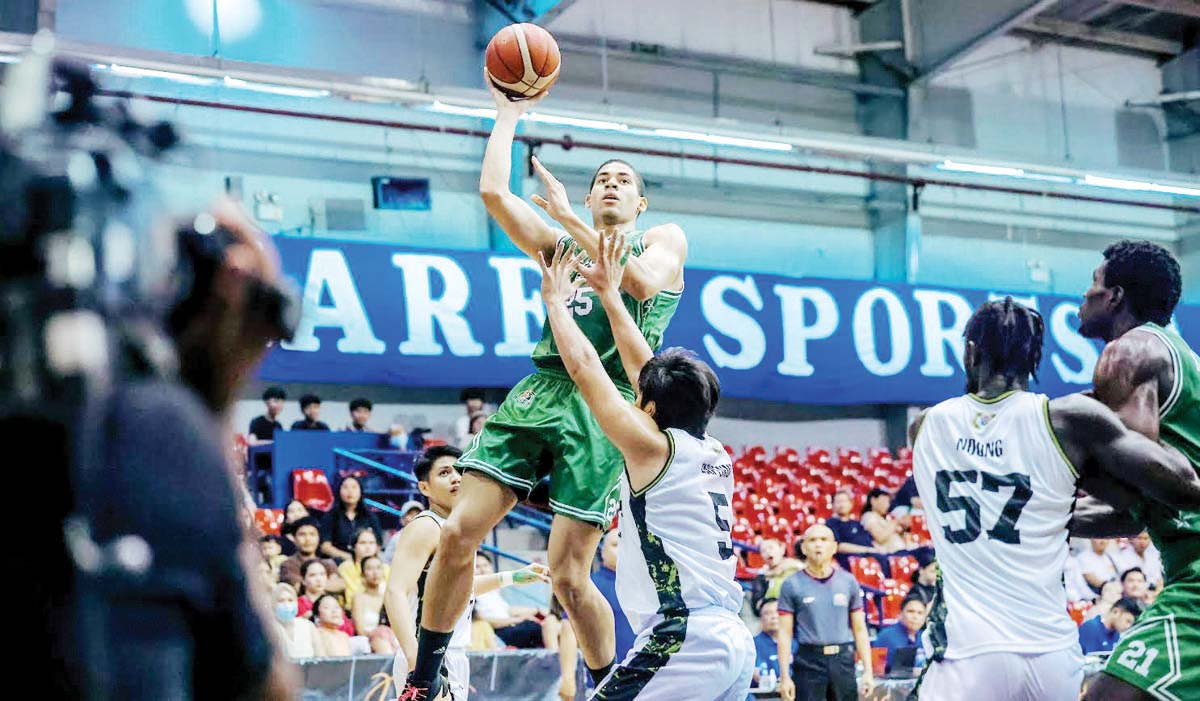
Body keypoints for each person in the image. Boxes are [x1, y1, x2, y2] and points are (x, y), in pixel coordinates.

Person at [399, 73, 688, 701]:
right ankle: (425, 682)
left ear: (639, 204)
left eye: (624, 180)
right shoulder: (561, 244)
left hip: (607, 402)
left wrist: (564, 219)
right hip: (543, 387)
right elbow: (494, 192)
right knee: (455, 535)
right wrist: (507, 112)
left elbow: (634, 283)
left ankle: (610, 685)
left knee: (568, 577)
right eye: (601, 179)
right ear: (587, 200)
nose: (611, 183)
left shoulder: (662, 240)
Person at [908, 297, 1200, 701]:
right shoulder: (1067, 420)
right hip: (1051, 654)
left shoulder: (924, 426)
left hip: (966, 652)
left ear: (970, 352)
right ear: (1034, 360)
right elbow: (1167, 494)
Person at [534, 239, 752, 701]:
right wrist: (611, 296)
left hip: (683, 638)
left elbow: (586, 369)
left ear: (649, 408)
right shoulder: (713, 450)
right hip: (731, 638)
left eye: (641, 400)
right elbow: (645, 373)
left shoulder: (652, 448)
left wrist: (556, 302)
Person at [1068, 241, 1200, 701]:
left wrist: (1056, 470)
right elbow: (1134, 513)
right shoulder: (1169, 355)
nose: (1083, 297)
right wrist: (1049, 516)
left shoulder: (1130, 350)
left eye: (1093, 285)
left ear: (1116, 296)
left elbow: (1128, 487)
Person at [387, 446, 551, 700]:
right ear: (424, 488)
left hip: (453, 654)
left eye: (460, 471)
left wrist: (511, 577)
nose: (455, 477)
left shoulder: (457, 529)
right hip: (427, 656)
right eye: (444, 473)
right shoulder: (425, 527)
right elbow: (395, 592)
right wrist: (416, 663)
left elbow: (456, 590)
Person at [776, 525, 874, 701]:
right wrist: (784, 677)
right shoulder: (791, 584)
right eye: (812, 540)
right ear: (804, 548)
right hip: (808, 661)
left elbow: (860, 629)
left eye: (824, 540)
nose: (818, 545)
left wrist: (868, 671)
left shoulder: (849, 581)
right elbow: (784, 633)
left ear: (834, 547)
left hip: (843, 660)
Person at [591, 528, 636, 665]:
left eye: (626, 544)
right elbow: (568, 627)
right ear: (602, 552)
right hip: (606, 674)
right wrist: (568, 677)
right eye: (615, 545)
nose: (622, 549)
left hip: (643, 670)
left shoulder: (645, 586)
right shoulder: (591, 585)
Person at [320, 475, 384, 562]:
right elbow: (325, 546)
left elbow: (378, 544)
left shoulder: (370, 516)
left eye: (354, 487)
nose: (350, 491)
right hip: (338, 562)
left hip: (365, 563)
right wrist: (350, 558)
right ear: (339, 491)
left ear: (361, 491)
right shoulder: (330, 516)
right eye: (345, 487)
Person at [278, 516, 345, 594]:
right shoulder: (288, 565)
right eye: (302, 534)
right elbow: (299, 588)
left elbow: (340, 585)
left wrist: (312, 586)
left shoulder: (328, 563)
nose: (308, 539)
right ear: (294, 539)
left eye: (312, 534)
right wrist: (327, 585)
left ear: (318, 538)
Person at [825, 490, 880, 570]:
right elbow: (838, 546)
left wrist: (876, 550)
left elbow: (869, 541)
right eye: (838, 502)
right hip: (850, 560)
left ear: (851, 504)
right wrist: (867, 550)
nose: (842, 505)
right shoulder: (831, 523)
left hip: (869, 556)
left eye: (844, 501)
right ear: (832, 505)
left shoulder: (857, 524)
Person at [871, 597, 927, 674]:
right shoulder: (885, 637)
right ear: (900, 614)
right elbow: (875, 671)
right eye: (911, 611)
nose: (915, 617)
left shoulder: (926, 637)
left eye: (920, 613)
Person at [750, 538, 804, 615]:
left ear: (782, 549)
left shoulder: (798, 569)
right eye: (763, 551)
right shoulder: (761, 577)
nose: (768, 552)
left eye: (771, 547)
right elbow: (756, 606)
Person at [339, 527, 390, 607]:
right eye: (363, 543)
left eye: (371, 543)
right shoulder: (346, 568)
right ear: (354, 547)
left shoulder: (385, 568)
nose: (368, 547)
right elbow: (349, 598)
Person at [753, 598, 797, 687]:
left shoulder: (795, 643)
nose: (773, 616)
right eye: (767, 613)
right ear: (761, 618)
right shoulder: (752, 645)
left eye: (777, 611)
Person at [272, 582, 317, 659]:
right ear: (273, 604)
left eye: (290, 600)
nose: (286, 604)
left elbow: (321, 657)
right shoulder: (268, 629)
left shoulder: (308, 626)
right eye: (281, 601)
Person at [350, 555, 389, 636]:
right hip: (367, 641)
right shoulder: (358, 598)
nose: (375, 572)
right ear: (363, 574)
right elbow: (360, 631)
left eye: (378, 568)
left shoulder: (387, 598)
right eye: (369, 568)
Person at [382, 500, 428, 564]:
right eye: (410, 514)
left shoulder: (428, 537)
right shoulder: (397, 539)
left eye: (418, 514)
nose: (415, 517)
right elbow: (385, 563)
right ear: (402, 519)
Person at [311, 594, 353, 658]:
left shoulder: (344, 636)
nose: (334, 611)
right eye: (327, 607)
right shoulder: (316, 634)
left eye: (337, 607)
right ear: (317, 616)